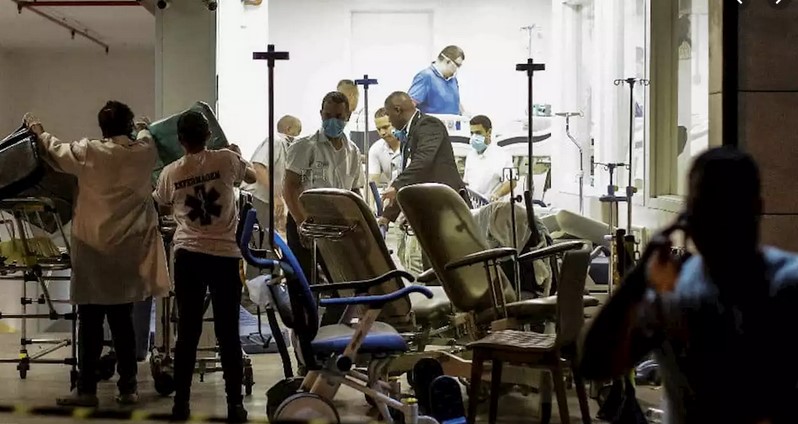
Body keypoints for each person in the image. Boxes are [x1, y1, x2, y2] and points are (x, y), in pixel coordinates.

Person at [579, 147, 798, 424]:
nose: (719, 224)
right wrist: (637, 279)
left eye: (728, 210)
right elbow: (593, 364)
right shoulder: (675, 292)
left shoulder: (787, 285)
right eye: (706, 210)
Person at [23, 102, 170, 407]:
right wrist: (143, 126)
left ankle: (86, 390)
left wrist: (37, 130)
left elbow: (54, 150)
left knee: (89, 324)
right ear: (128, 126)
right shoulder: (143, 152)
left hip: (93, 251)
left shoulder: (89, 152)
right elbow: (147, 135)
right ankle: (128, 388)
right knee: (123, 324)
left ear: (102, 129)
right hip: (128, 253)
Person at [152, 111, 256, 423]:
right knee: (228, 333)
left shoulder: (171, 172)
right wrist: (238, 156)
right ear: (209, 134)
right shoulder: (226, 159)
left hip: (189, 256)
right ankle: (235, 406)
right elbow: (251, 177)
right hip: (225, 256)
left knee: (187, 332)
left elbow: (162, 203)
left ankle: (180, 405)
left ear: (180, 140)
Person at [283, 91, 364, 282]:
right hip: (306, 219)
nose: (332, 121)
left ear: (348, 116)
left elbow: (354, 190)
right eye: (328, 116)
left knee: (339, 280)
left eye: (338, 116)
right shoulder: (305, 146)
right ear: (321, 114)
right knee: (303, 281)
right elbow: (290, 187)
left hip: (337, 225)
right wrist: (302, 223)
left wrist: (361, 221)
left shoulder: (352, 151)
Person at [379, 91, 466, 224]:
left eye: (389, 115)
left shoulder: (429, 125)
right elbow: (412, 175)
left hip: (448, 207)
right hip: (431, 209)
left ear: (397, 110)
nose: (389, 121)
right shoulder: (409, 136)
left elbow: (422, 161)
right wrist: (387, 216)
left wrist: (396, 185)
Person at [244, 115, 302, 235]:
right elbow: (259, 167)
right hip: (258, 199)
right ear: (288, 129)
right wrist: (275, 195)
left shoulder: (286, 148)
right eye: (297, 131)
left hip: (267, 201)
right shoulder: (276, 141)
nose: (298, 136)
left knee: (273, 237)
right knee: (264, 239)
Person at [463, 115, 514, 202]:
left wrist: (497, 194)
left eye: (478, 133)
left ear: (489, 132)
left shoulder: (502, 155)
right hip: (474, 205)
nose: (474, 137)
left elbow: (512, 181)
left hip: (493, 206)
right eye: (472, 133)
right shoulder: (470, 156)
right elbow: (467, 182)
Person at [408, 45, 465, 115]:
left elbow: (455, 102)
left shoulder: (453, 80)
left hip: (453, 121)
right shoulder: (426, 77)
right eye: (457, 65)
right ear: (447, 61)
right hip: (432, 121)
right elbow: (409, 105)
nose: (457, 69)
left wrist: (464, 113)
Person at [368, 107, 402, 185]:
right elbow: (373, 182)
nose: (382, 133)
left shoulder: (412, 145)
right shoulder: (375, 149)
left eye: (385, 127)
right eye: (379, 129)